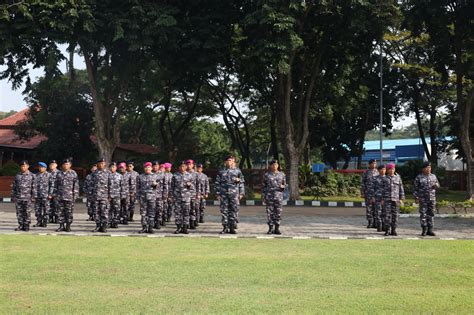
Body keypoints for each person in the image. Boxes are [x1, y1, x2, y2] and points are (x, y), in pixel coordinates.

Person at [215, 155, 245, 234]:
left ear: (233, 162)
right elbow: (217, 183)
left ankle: (232, 227)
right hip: (224, 194)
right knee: (224, 211)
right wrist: (217, 194)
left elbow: (241, 182)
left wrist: (241, 193)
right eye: (228, 160)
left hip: (234, 194)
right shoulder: (221, 171)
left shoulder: (237, 171)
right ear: (225, 162)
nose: (229, 162)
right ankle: (225, 227)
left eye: (231, 160)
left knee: (234, 210)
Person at [51, 158, 79, 232]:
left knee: (69, 212)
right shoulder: (59, 174)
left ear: (70, 165)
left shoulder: (73, 173)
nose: (66, 166)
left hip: (69, 197)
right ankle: (61, 226)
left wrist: (75, 195)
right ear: (62, 165)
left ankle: (68, 226)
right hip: (60, 196)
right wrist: (54, 194)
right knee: (60, 212)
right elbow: (55, 185)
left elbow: (76, 185)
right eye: (64, 164)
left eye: (67, 164)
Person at [414, 162, 440, 236]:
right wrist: (416, 197)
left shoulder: (433, 176)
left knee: (431, 214)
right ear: (423, 169)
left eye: (429, 168)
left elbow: (438, 184)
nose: (428, 169)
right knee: (423, 214)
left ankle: (430, 230)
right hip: (423, 199)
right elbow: (415, 189)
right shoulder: (419, 177)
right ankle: (424, 229)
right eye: (427, 168)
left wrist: (436, 185)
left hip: (432, 198)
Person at [262, 160, 286, 235]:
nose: (274, 166)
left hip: (278, 196)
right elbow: (264, 186)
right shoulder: (267, 175)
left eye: (276, 164)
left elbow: (284, 184)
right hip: (269, 196)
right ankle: (270, 228)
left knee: (278, 213)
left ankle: (277, 228)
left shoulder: (282, 174)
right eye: (273, 165)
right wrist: (263, 196)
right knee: (270, 213)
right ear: (270, 166)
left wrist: (283, 187)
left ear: (278, 165)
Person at [11, 160, 36, 231]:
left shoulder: (32, 175)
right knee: (19, 212)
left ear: (28, 166)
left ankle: (26, 225)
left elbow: (34, 187)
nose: (23, 167)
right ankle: (21, 225)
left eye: (24, 166)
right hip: (18, 197)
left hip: (27, 197)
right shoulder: (17, 175)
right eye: (22, 166)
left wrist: (33, 196)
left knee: (27, 212)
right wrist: (13, 196)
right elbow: (14, 186)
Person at [382, 163, 405, 236]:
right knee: (387, 215)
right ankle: (387, 230)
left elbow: (401, 189)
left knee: (395, 215)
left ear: (394, 169)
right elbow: (380, 190)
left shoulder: (398, 178)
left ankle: (394, 230)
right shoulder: (384, 179)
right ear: (387, 170)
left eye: (393, 169)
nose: (391, 170)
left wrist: (401, 199)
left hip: (396, 200)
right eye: (390, 169)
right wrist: (381, 199)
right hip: (387, 199)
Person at [171, 161, 194, 234]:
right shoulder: (175, 175)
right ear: (179, 167)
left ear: (186, 167)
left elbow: (193, 188)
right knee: (178, 213)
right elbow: (172, 187)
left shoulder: (190, 175)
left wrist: (190, 188)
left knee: (186, 213)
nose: (182, 168)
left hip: (186, 197)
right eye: (181, 166)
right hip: (177, 197)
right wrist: (172, 196)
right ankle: (178, 227)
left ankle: (185, 228)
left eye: (184, 166)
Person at [137, 162, 157, 234]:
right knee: (143, 213)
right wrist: (138, 198)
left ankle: (150, 228)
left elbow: (158, 188)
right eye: (146, 167)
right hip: (143, 197)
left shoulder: (155, 176)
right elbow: (138, 188)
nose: (147, 169)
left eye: (148, 167)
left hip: (152, 197)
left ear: (151, 168)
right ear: (144, 168)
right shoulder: (140, 176)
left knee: (151, 213)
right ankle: (144, 227)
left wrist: (155, 185)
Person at [91, 158, 110, 233]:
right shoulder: (94, 173)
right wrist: (90, 195)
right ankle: (98, 226)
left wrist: (110, 195)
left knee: (104, 212)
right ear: (97, 164)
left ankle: (104, 227)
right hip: (95, 196)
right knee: (96, 212)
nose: (101, 165)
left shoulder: (108, 173)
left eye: (103, 163)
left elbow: (111, 185)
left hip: (104, 196)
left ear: (105, 164)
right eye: (100, 163)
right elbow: (91, 185)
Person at [361, 159, 378, 228]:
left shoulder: (378, 172)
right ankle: (370, 222)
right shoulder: (366, 172)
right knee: (369, 208)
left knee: (376, 208)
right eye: (373, 163)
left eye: (375, 163)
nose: (374, 164)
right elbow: (362, 183)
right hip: (368, 193)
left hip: (377, 194)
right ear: (370, 164)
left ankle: (375, 222)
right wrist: (362, 192)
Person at [371, 164, 386, 232]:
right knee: (378, 212)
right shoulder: (375, 178)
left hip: (386, 198)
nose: (383, 171)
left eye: (384, 169)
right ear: (379, 170)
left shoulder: (387, 178)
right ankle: (379, 226)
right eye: (382, 169)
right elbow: (372, 188)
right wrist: (373, 197)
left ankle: (384, 226)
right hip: (377, 198)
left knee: (385, 213)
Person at [152, 161, 167, 229]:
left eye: (156, 166)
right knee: (151, 209)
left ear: (158, 166)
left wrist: (165, 194)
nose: (155, 167)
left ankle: (158, 223)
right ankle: (152, 223)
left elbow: (165, 185)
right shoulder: (150, 174)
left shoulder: (163, 174)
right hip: (151, 195)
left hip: (160, 195)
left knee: (159, 209)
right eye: (154, 166)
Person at [34, 162, 50, 227]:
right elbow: (33, 186)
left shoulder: (49, 175)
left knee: (46, 209)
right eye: (40, 167)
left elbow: (52, 185)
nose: (40, 168)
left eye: (42, 167)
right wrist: (34, 195)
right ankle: (39, 222)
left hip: (46, 195)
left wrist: (50, 194)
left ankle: (45, 222)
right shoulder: (35, 175)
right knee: (38, 209)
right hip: (37, 195)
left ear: (45, 168)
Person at [108, 162, 123, 229]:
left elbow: (122, 186)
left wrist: (122, 195)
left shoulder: (120, 176)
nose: (112, 168)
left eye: (113, 167)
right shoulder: (106, 175)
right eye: (111, 167)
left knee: (117, 210)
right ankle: (108, 222)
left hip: (117, 196)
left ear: (116, 168)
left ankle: (115, 223)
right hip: (108, 196)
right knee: (108, 210)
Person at [186, 159, 199, 229]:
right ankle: (186, 223)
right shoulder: (184, 173)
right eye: (188, 164)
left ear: (193, 165)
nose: (189, 165)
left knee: (193, 209)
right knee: (186, 209)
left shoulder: (196, 174)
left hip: (193, 194)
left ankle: (192, 223)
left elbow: (198, 184)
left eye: (190, 164)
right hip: (185, 194)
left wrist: (198, 193)